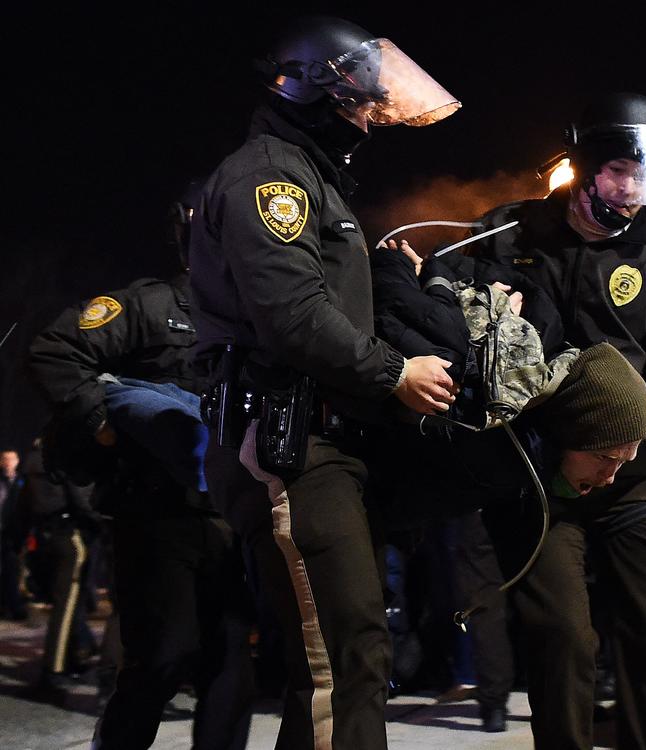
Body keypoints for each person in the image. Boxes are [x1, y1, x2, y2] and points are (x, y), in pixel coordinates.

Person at [187, 15, 460, 749]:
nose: (374, 111)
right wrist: (395, 371)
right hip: (286, 447)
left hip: (320, 442)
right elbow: (293, 315)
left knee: (348, 659)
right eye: (361, 96)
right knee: (342, 660)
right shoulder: (271, 178)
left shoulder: (312, 177)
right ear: (315, 90)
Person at [462, 92, 646, 749]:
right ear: (587, 167)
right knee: (562, 637)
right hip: (536, 477)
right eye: (623, 172)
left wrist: (624, 439)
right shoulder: (503, 234)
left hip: (632, 476)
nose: (635, 191)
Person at [28, 188, 255, 749]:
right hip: (155, 515)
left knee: (231, 665)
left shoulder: (254, 320)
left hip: (230, 513)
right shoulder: (145, 305)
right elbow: (55, 351)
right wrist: (100, 420)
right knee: (161, 656)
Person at [18, 439, 101, 695]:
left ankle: (75, 656)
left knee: (66, 605)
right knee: (66, 608)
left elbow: (20, 506)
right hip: (68, 534)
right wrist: (100, 522)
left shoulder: (31, 460)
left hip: (44, 534)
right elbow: (81, 499)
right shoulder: (64, 455)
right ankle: (54, 669)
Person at [0, 447, 28, 620]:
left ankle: (14, 604)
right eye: (5, 459)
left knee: (15, 569)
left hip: (17, 532)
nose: (8, 462)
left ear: (17, 461)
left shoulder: (23, 481)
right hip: (2, 531)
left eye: (12, 459)